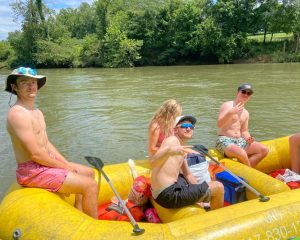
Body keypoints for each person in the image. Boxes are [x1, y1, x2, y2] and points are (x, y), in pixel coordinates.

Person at [5, 67, 99, 219]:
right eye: (24, 82)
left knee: (88, 173)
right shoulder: (18, 114)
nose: (31, 86)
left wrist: (65, 163)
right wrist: (66, 168)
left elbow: (46, 144)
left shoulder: (37, 112)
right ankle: (95, 229)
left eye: (33, 82)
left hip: (44, 164)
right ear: (14, 87)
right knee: (90, 185)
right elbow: (35, 154)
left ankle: (79, 213)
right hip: (31, 172)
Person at [150, 115, 224, 210]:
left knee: (185, 177)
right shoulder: (172, 141)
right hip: (167, 194)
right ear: (175, 129)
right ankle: (217, 218)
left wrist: (200, 192)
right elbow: (153, 162)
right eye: (184, 125)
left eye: (191, 127)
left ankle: (204, 203)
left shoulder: (181, 149)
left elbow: (188, 175)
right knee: (219, 187)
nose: (188, 128)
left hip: (163, 193)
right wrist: (169, 150)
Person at [216, 83, 268, 167]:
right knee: (242, 153)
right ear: (237, 93)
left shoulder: (246, 112)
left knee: (264, 150)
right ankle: (250, 173)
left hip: (239, 141)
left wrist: (248, 138)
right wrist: (230, 113)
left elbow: (244, 131)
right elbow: (219, 124)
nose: (246, 94)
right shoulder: (227, 105)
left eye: (248, 93)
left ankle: (245, 169)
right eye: (243, 92)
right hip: (224, 140)